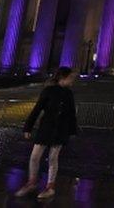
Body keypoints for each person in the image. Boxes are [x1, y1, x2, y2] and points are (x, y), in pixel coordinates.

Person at [15, 67, 79, 199]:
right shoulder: (48, 91)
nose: (73, 80)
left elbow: (72, 114)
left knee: (53, 158)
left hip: (61, 130)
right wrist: (28, 127)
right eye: (71, 77)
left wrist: (72, 130)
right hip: (46, 128)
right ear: (63, 77)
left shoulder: (69, 93)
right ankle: (32, 182)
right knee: (34, 156)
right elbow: (37, 109)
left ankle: (50, 187)